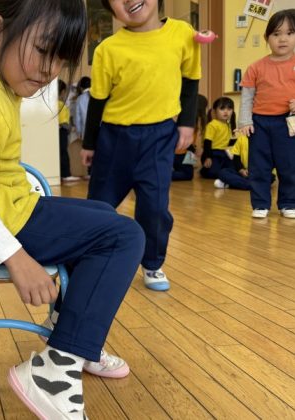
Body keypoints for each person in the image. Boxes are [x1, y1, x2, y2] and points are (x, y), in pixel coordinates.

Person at [0, 1, 145, 418]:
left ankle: (71, 337)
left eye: (61, 59)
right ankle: (56, 368)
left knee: (105, 217)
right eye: (43, 51)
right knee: (125, 237)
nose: (50, 70)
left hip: (11, 209)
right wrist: (16, 260)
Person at [81, 0, 200, 291]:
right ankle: (86, 259)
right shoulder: (107, 49)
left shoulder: (183, 33)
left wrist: (187, 123)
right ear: (111, 10)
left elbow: (190, 82)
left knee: (155, 207)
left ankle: (152, 263)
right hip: (114, 138)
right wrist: (89, 143)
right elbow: (97, 101)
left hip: (159, 136)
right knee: (98, 205)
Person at [237, 8, 295, 219]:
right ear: (267, 38)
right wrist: (245, 121)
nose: (283, 39)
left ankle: (289, 202)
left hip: (289, 123)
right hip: (259, 123)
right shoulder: (256, 67)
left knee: (290, 165)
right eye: (276, 34)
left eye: (290, 33)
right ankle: (260, 204)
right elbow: (246, 97)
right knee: (259, 166)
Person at [172, 94, 207, 181]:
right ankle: (165, 174)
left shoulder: (192, 121)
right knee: (187, 175)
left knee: (189, 172)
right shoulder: (190, 123)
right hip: (179, 153)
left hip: (184, 152)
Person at [200, 97, 236, 179]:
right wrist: (208, 157)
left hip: (224, 153)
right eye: (222, 109)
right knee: (213, 173)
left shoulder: (228, 125)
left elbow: (226, 141)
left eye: (229, 109)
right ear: (214, 111)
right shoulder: (212, 125)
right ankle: (204, 170)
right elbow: (207, 142)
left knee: (233, 169)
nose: (226, 111)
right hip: (213, 153)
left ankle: (223, 173)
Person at [58, 80, 79, 182]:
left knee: (61, 152)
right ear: (62, 92)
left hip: (61, 130)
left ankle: (63, 174)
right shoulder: (60, 104)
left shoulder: (57, 103)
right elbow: (63, 121)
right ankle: (66, 174)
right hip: (62, 130)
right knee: (63, 152)